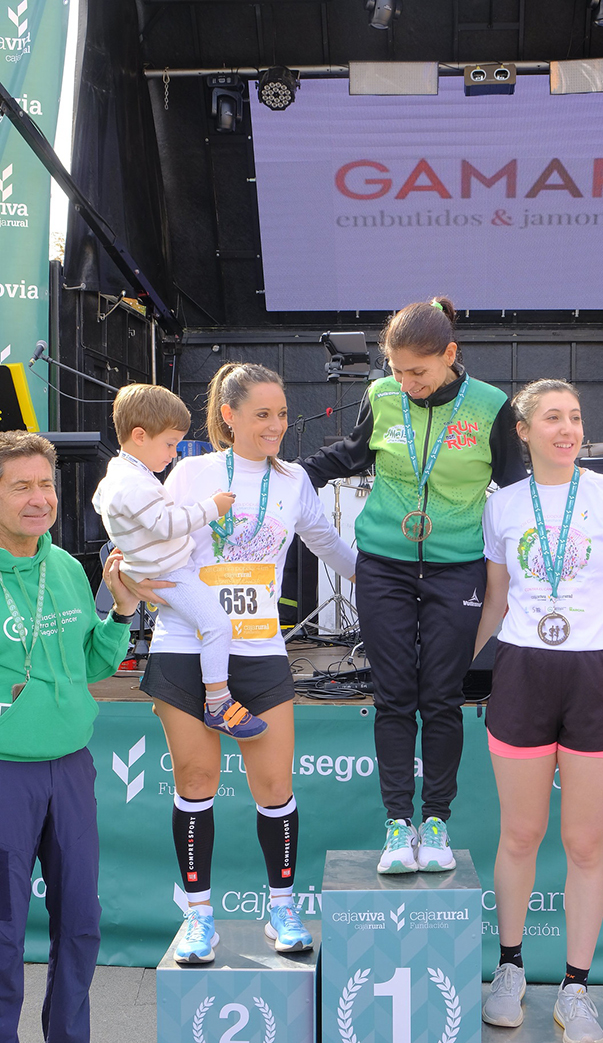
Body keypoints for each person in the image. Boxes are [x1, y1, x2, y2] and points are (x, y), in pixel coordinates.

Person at [128, 363, 356, 965]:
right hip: (186, 647)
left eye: (282, 414)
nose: (276, 425)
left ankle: (281, 905)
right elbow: (145, 530)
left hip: (259, 652)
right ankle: (199, 914)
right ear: (228, 417)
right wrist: (126, 573)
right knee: (197, 782)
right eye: (263, 414)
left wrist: (387, 583)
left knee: (275, 785)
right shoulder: (192, 471)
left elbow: (328, 545)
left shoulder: (294, 482)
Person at [304, 297, 525, 875]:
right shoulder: (381, 397)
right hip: (385, 565)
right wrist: (278, 474)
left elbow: (517, 486)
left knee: (442, 697)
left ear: (450, 355)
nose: (407, 382)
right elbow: (348, 457)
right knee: (395, 695)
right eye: (397, 370)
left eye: (418, 372)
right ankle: (398, 825)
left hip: (457, 568)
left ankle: (437, 822)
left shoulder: (490, 406)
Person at [474, 379, 603, 1043]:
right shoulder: (504, 506)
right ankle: (512, 969)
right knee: (520, 835)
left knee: (584, 842)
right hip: (523, 672)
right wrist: (466, 674)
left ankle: (576, 987)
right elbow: (496, 602)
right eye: (551, 418)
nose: (567, 428)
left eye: (575, 417)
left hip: (597, 676)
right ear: (522, 431)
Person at [0, 431, 138, 1043]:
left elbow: (90, 665)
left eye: (44, 486)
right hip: (5, 773)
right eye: (20, 486)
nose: (37, 499)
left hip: (71, 766)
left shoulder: (62, 565)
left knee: (80, 921)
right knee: (2, 940)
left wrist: (117, 612)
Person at [94, 384, 269, 741]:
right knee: (218, 625)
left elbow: (100, 503)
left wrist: (131, 551)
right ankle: (218, 703)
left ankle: (180, 694)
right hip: (171, 573)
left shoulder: (117, 473)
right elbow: (167, 524)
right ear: (140, 436)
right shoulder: (135, 485)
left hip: (158, 567)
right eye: (170, 444)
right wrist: (212, 507)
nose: (173, 455)